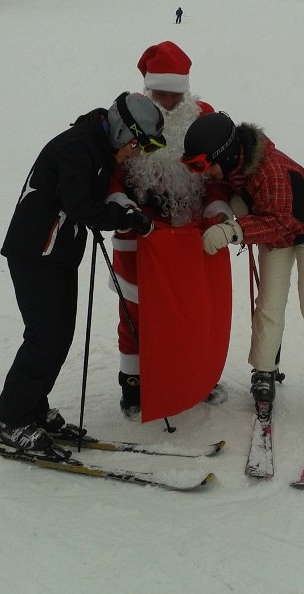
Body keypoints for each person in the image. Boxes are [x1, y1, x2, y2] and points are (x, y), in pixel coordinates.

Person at [0, 92, 166, 451]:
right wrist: (124, 218)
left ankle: (32, 408)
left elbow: (97, 198)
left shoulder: (97, 150)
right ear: (121, 132)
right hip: (35, 253)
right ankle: (9, 419)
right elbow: (80, 204)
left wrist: (141, 205)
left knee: (59, 336)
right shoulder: (77, 147)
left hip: (56, 255)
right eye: (137, 143)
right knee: (44, 336)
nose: (136, 152)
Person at [181, 112, 304, 414]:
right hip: (274, 233)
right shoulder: (233, 165)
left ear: (224, 154)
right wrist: (233, 205)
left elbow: (280, 222)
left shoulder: (270, 169)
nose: (202, 173)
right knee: (269, 304)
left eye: (201, 165)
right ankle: (264, 370)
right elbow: (232, 189)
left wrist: (234, 230)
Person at [107, 42, 233, 417]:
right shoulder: (128, 117)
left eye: (177, 95)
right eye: (163, 95)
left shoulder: (202, 115)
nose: (172, 104)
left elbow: (217, 174)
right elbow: (111, 174)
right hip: (140, 236)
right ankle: (133, 385)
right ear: (148, 89)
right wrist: (124, 209)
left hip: (192, 235)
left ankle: (196, 376)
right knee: (135, 313)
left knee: (192, 311)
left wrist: (217, 210)